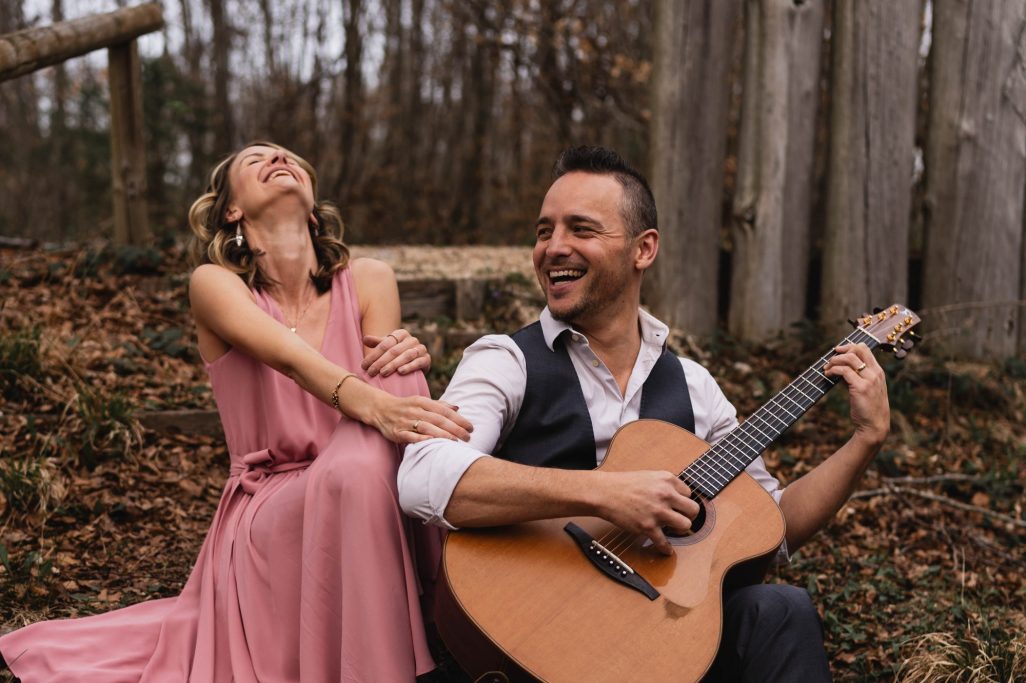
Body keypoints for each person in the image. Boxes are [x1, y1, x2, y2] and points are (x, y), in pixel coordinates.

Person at [398, 146, 890, 681]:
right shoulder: (506, 360)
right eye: (544, 231)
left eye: (581, 229)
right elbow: (426, 476)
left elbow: (773, 526)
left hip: (660, 637)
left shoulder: (694, 387)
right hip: (531, 630)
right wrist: (605, 493)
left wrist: (864, 439)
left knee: (781, 610)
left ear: (643, 249)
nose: (553, 247)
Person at [0, 141, 474, 682]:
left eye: (289, 158)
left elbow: (386, 395)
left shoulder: (369, 279)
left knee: (396, 371)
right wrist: (379, 402)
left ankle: (432, 619)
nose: (279, 159)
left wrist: (402, 364)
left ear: (313, 210)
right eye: (257, 160)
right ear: (231, 210)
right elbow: (294, 362)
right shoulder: (215, 284)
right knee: (373, 430)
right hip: (272, 508)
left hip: (362, 487)